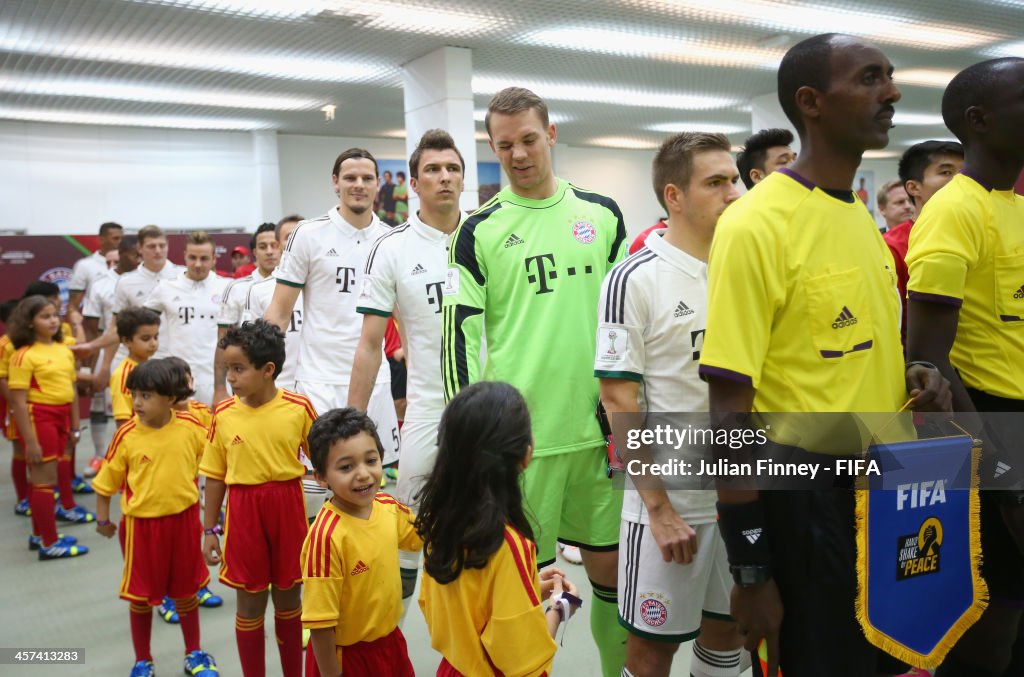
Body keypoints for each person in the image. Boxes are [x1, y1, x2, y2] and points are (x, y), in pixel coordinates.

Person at [698, 33, 950, 676]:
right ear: (810, 102)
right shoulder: (757, 224)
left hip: (888, 493)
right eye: (870, 78)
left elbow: (843, 353)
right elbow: (729, 407)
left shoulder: (859, 220)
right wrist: (751, 566)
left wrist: (908, 373)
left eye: (889, 76)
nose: (892, 91)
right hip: (808, 505)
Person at [442, 86, 628, 676]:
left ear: (550, 134)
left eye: (528, 139)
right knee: (527, 591)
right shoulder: (477, 231)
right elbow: (459, 339)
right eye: (504, 146)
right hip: (522, 446)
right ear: (492, 148)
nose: (519, 154)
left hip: (600, 435)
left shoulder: (602, 215)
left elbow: (630, 320)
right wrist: (470, 438)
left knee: (612, 581)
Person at [597, 132, 743, 677]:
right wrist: (657, 510)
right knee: (653, 648)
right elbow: (617, 398)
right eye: (715, 182)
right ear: (674, 196)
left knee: (730, 631)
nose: (733, 193)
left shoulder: (747, 265)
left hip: (743, 492)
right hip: (672, 505)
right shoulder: (634, 278)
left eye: (735, 179)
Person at [904, 56, 1024, 677]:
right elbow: (928, 361)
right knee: (990, 625)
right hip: (990, 430)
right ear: (978, 120)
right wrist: (1004, 477)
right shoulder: (955, 210)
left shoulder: (1014, 204)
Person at [349, 128, 465, 611]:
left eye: (453, 169)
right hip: (428, 404)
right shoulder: (391, 248)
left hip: (493, 404)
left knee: (498, 518)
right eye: (433, 170)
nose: (444, 178)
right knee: (408, 513)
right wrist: (351, 424)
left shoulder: (490, 236)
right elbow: (370, 344)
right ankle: (389, 621)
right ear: (413, 184)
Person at [417, 381, 580, 676]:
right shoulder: (506, 543)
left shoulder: (442, 523)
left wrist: (530, 589)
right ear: (526, 455)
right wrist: (560, 607)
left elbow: (455, 609)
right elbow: (521, 660)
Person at [264, 149, 399, 466]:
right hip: (318, 382)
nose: (359, 184)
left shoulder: (392, 239)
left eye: (367, 178)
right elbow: (280, 312)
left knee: (370, 483)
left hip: (375, 383)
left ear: (378, 184)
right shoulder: (308, 234)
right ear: (335, 183)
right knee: (316, 485)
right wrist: (260, 367)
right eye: (350, 178)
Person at [201, 320, 315, 677]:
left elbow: (325, 462)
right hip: (244, 513)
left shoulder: (299, 408)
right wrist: (208, 529)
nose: (230, 379)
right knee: (249, 604)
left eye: (238, 369)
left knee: (288, 599)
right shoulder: (222, 414)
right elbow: (215, 475)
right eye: (227, 369)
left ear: (268, 370)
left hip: (288, 509)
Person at [91, 359, 219, 677]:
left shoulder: (191, 429)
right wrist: (103, 520)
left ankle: (194, 654)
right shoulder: (126, 436)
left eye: (146, 396)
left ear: (171, 398)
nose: (136, 403)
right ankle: (143, 660)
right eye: (134, 394)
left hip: (186, 522)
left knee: (186, 592)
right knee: (141, 596)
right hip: (141, 528)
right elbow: (106, 482)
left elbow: (219, 462)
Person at [301, 407, 421, 677]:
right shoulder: (326, 537)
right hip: (347, 658)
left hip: (391, 643)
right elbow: (320, 626)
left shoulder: (387, 507)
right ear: (321, 476)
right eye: (346, 467)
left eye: (371, 460)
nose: (364, 474)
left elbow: (422, 535)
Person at [6, 296, 92, 558]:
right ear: (29, 323)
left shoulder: (63, 350)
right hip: (39, 418)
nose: (53, 320)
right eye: (45, 316)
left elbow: (71, 392)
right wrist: (30, 442)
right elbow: (18, 403)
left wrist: (75, 426)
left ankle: (40, 535)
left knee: (42, 481)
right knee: (45, 481)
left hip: (61, 417)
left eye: (55, 314)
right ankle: (49, 543)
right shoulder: (23, 355)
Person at [79, 225, 181, 389]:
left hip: (174, 361)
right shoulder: (126, 282)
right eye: (151, 246)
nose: (158, 251)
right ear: (140, 248)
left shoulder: (182, 277)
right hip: (136, 363)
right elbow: (116, 328)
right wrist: (104, 366)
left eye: (162, 246)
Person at [883, 141, 964, 346]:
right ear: (914, 187)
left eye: (964, 173)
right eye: (946, 172)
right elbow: (894, 321)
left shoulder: (980, 231)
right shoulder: (892, 246)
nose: (960, 181)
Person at [143, 231, 229, 406]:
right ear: (184, 256)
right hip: (176, 379)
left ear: (214, 258)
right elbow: (141, 326)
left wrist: (222, 387)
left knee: (214, 432)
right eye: (192, 258)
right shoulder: (166, 287)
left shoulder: (228, 287)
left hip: (215, 382)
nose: (197, 264)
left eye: (204, 259)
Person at [81, 235, 141, 476]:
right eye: (135, 255)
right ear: (122, 254)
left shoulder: (152, 281)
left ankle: (137, 455)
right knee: (105, 407)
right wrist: (93, 365)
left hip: (148, 353)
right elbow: (95, 327)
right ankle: (100, 454)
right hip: (112, 353)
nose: (140, 259)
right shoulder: (102, 285)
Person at [214, 222, 280, 404]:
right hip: (249, 383)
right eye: (262, 246)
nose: (269, 251)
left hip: (292, 379)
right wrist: (219, 389)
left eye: (274, 245)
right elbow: (222, 341)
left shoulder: (302, 287)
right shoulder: (237, 287)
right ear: (254, 253)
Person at [245, 215, 304, 391]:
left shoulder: (325, 286)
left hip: (318, 385)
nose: (297, 243)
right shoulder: (259, 290)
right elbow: (251, 347)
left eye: (301, 238)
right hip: (279, 387)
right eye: (290, 238)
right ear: (279, 246)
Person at [110, 308, 161, 427]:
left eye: (156, 337)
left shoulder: (155, 368)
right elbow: (122, 420)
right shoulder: (123, 374)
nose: (153, 343)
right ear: (127, 341)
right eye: (145, 338)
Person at [67, 221, 124, 327]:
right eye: (116, 238)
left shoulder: (130, 263)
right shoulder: (85, 265)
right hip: (96, 328)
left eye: (122, 239)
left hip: (125, 326)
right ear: (101, 239)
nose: (120, 242)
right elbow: (73, 306)